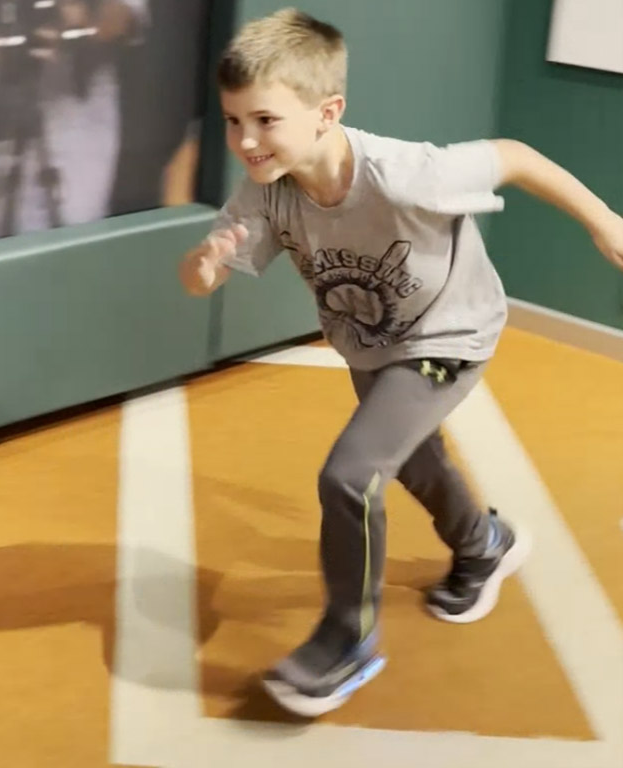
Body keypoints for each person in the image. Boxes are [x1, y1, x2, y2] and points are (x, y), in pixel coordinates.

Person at [179, 8, 623, 718]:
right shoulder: (264, 191)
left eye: (264, 120)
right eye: (233, 122)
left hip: (448, 335)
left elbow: (512, 154)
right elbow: (200, 280)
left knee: (350, 475)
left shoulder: (405, 173)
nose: (246, 141)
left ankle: (346, 640)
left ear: (328, 112)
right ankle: (484, 546)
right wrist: (205, 266)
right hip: (370, 342)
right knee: (416, 460)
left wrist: (606, 222)